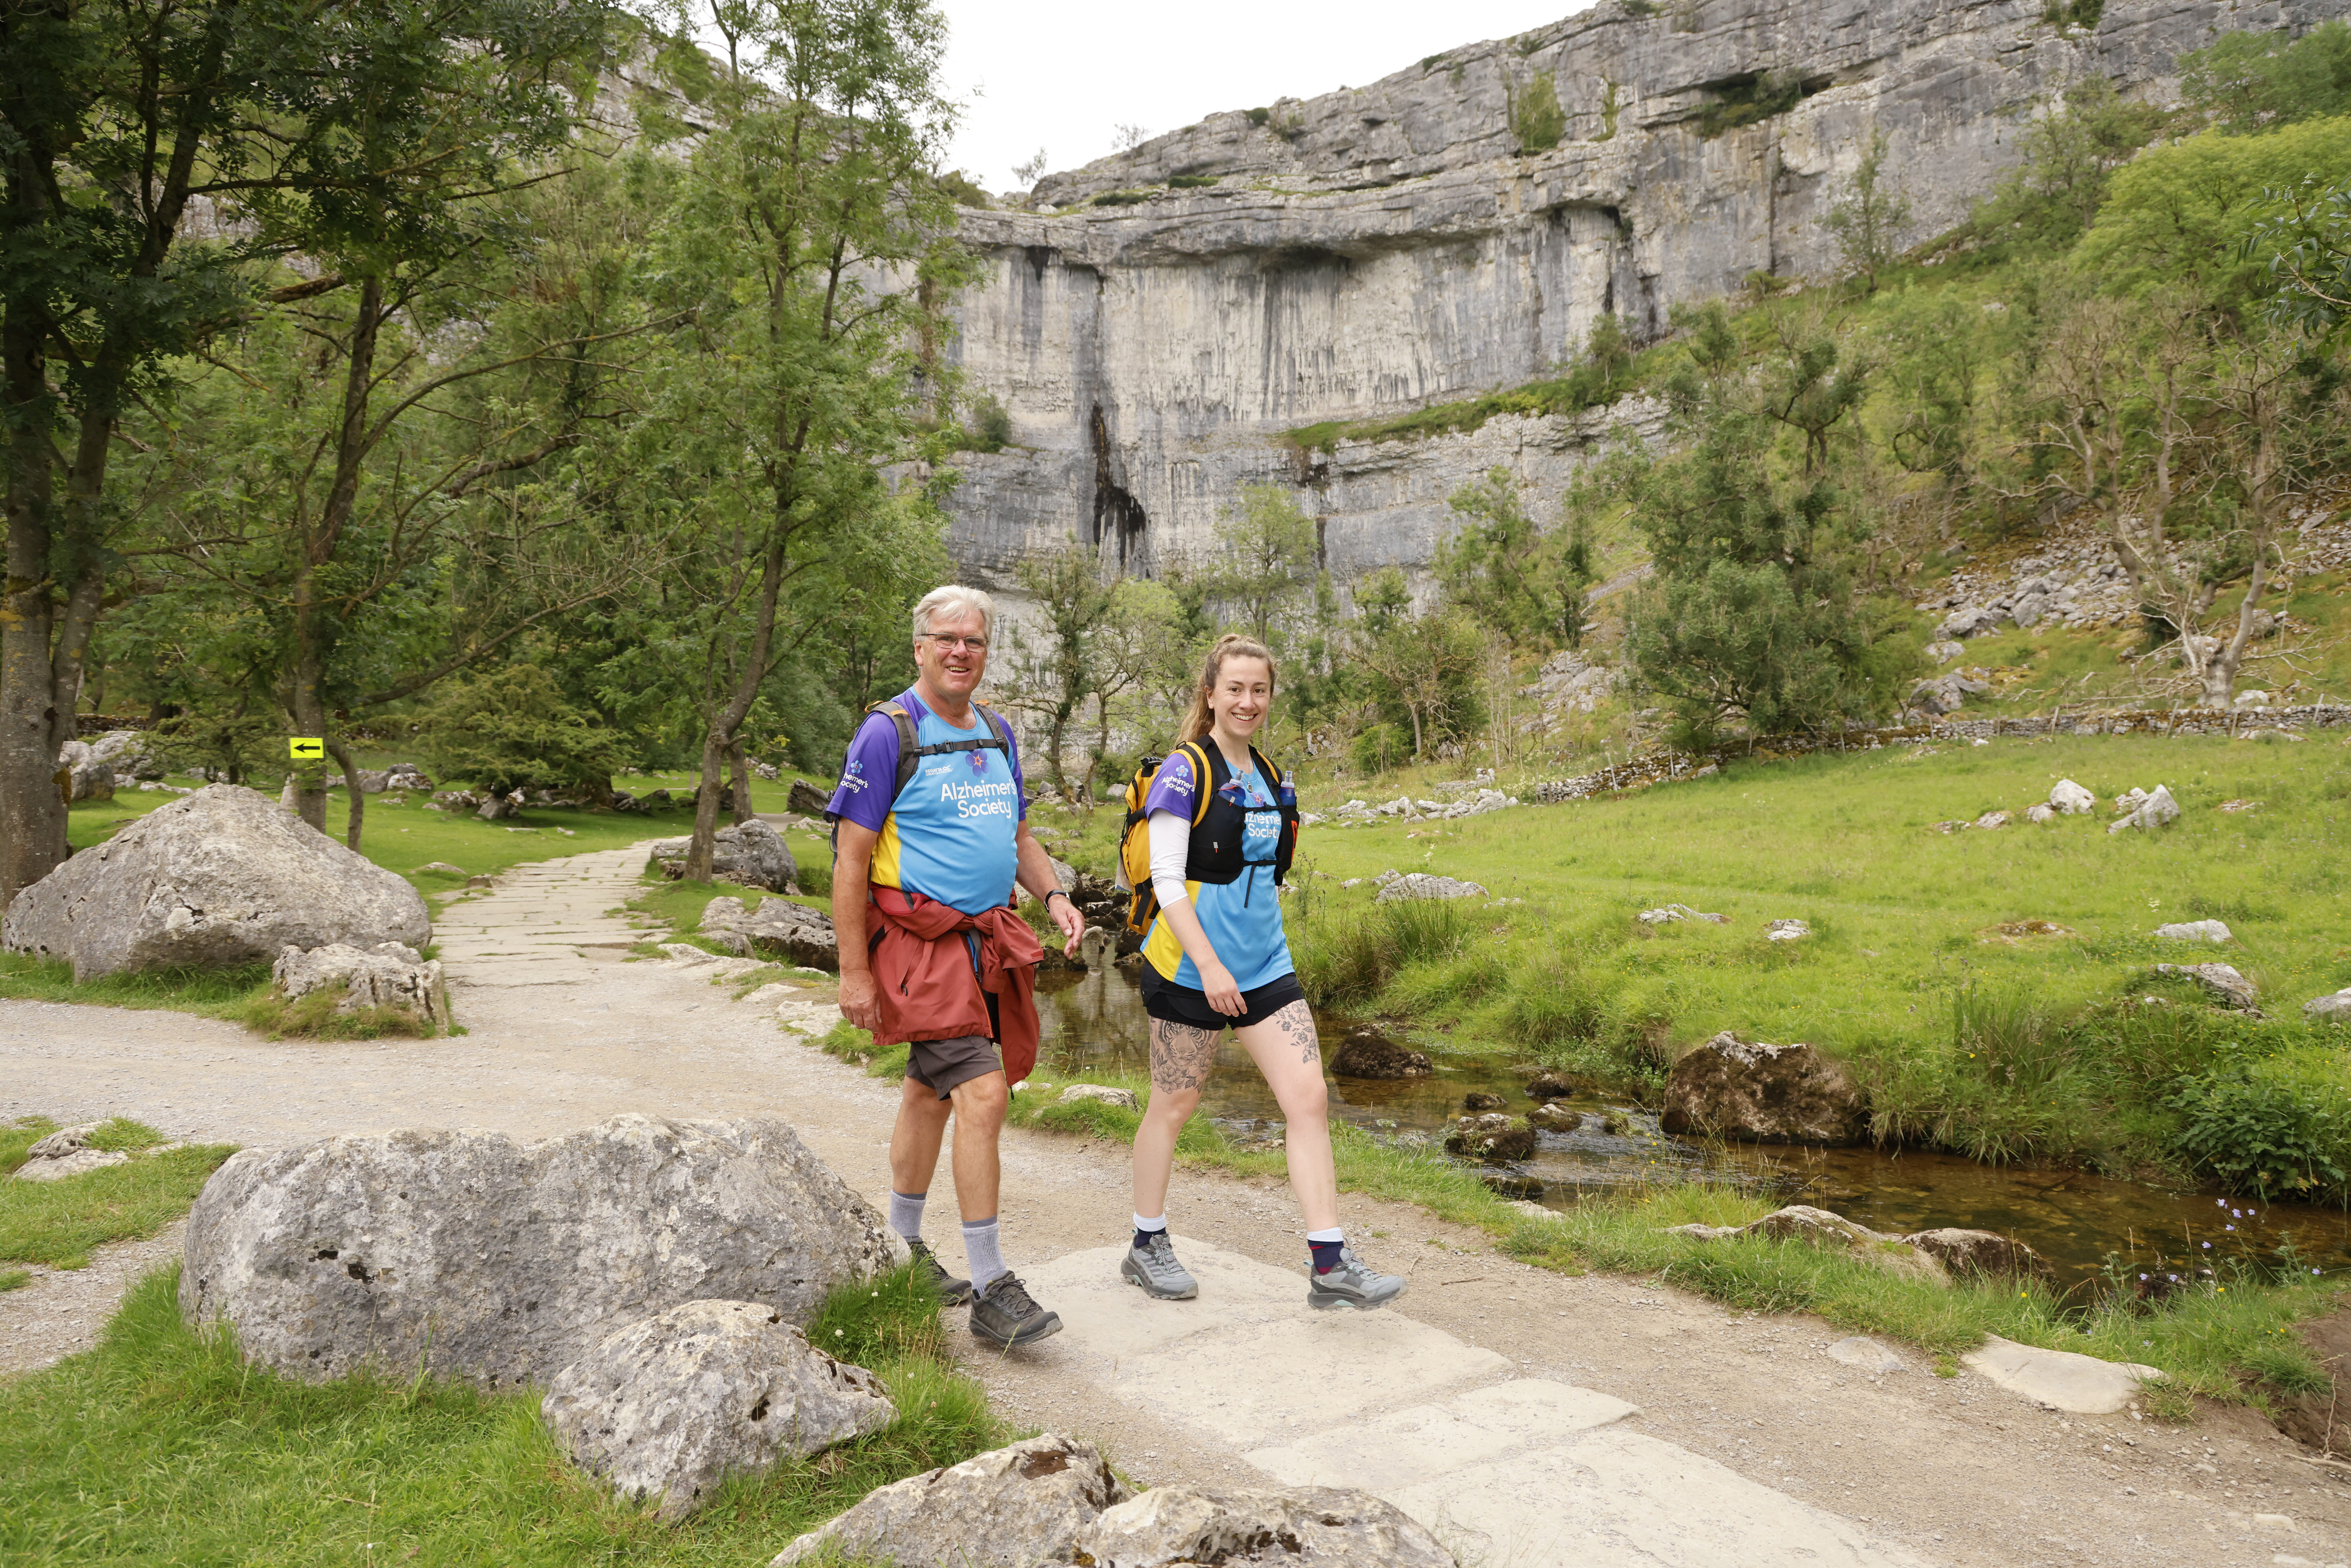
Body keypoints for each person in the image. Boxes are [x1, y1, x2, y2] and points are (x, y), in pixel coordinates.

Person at [829, 585, 1085, 1348]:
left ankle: (900, 1247)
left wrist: (1055, 895)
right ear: (920, 647)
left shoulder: (999, 732)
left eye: (973, 640)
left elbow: (1018, 834)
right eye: (946, 639)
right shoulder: (888, 734)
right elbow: (849, 864)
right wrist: (853, 972)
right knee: (982, 1093)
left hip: (984, 944)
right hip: (920, 948)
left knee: (928, 1093)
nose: (960, 652)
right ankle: (991, 1286)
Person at [1123, 633, 1408, 1311]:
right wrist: (1211, 963)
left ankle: (1330, 1263)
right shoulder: (1183, 771)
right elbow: (1166, 881)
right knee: (1174, 1104)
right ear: (1210, 695)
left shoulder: (1272, 775)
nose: (1247, 701)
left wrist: (1246, 958)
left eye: (1259, 690)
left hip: (1265, 966)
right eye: (1235, 689)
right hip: (1190, 968)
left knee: (1308, 1099)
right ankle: (1146, 1243)